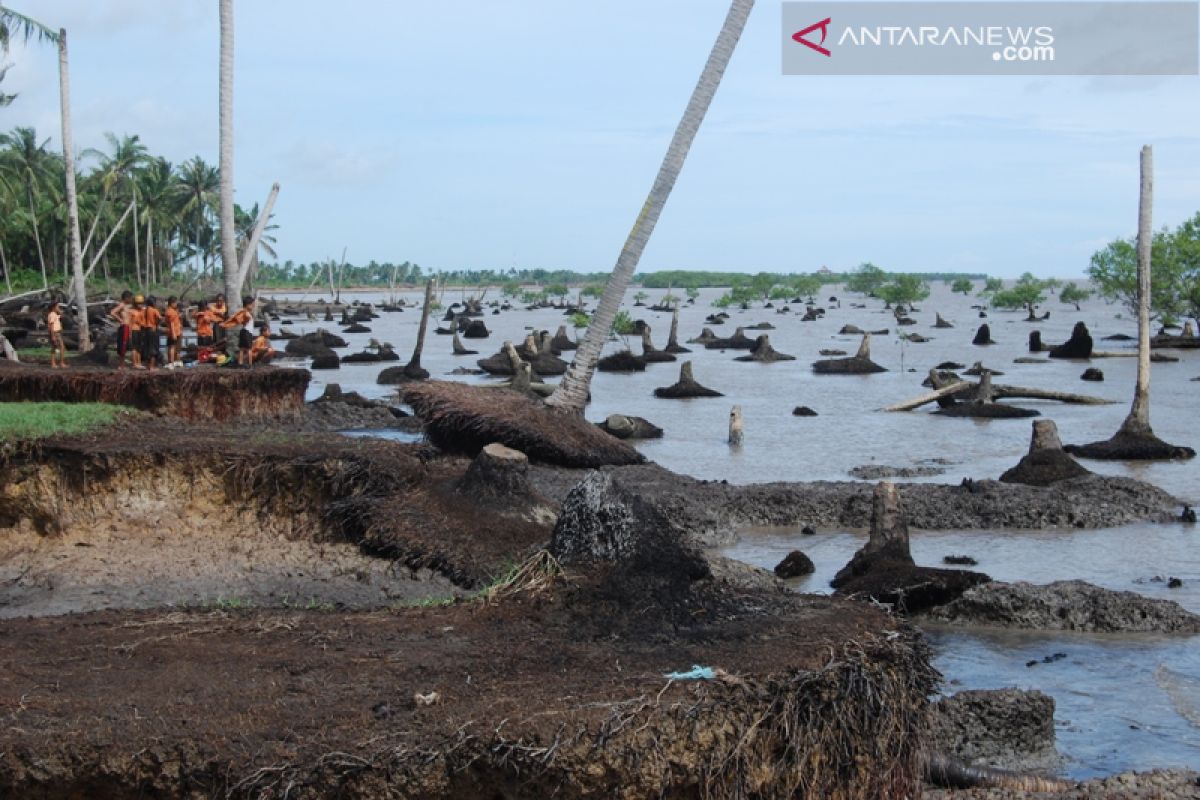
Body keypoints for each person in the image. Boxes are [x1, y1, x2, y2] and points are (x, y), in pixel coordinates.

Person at [218, 296, 256, 365]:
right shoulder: (245, 313)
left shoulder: (245, 312)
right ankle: (250, 364)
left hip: (245, 331)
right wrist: (226, 324)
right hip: (247, 332)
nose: (253, 306)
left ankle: (240, 363)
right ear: (247, 305)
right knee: (249, 349)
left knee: (242, 349)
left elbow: (237, 319)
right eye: (252, 305)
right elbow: (237, 319)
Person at [109, 291, 134, 369]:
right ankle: (121, 365)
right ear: (126, 298)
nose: (131, 300)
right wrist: (120, 320)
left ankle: (122, 364)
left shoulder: (126, 306)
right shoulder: (122, 305)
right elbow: (112, 312)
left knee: (125, 345)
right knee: (123, 345)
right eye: (130, 298)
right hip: (124, 326)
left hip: (127, 327)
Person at [141, 296, 162, 370]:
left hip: (146, 330)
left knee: (147, 347)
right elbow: (160, 318)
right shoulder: (154, 310)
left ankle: (147, 365)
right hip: (152, 329)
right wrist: (156, 324)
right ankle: (152, 367)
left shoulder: (144, 310)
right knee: (153, 348)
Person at [46, 300, 66, 369]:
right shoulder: (52, 315)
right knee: (61, 347)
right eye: (57, 307)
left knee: (55, 348)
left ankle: (56, 363)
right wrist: (53, 336)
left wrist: (60, 312)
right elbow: (51, 326)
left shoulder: (55, 314)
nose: (59, 308)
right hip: (55, 333)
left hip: (57, 333)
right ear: (53, 307)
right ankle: (60, 363)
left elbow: (62, 317)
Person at [164, 296, 183, 366]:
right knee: (172, 347)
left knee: (172, 347)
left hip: (174, 331)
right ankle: (171, 362)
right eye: (175, 303)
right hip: (173, 331)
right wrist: (174, 333)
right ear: (172, 303)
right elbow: (171, 323)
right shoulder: (171, 312)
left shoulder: (170, 311)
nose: (176, 304)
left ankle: (172, 361)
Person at [128, 294, 145, 369]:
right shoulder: (132, 311)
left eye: (141, 303)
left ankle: (139, 363)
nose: (140, 305)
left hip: (140, 330)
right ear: (135, 303)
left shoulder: (142, 311)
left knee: (139, 347)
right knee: (134, 348)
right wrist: (130, 333)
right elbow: (130, 323)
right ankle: (134, 364)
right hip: (134, 330)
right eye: (138, 303)